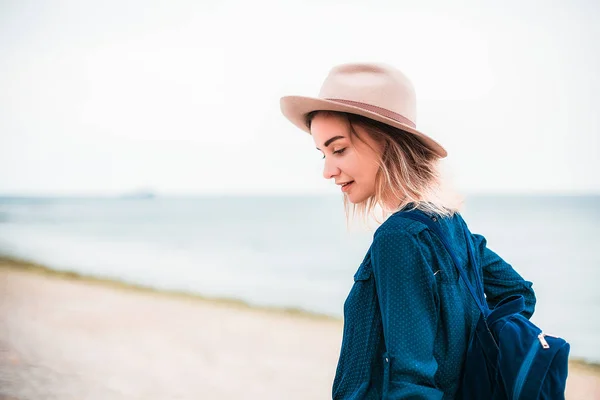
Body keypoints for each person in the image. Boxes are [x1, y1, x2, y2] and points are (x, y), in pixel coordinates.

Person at [279, 63, 536, 399]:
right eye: (323, 153)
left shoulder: (398, 238)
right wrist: (469, 360)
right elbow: (518, 295)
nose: (328, 170)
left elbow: (409, 385)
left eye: (339, 149)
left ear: (386, 142)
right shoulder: (448, 224)